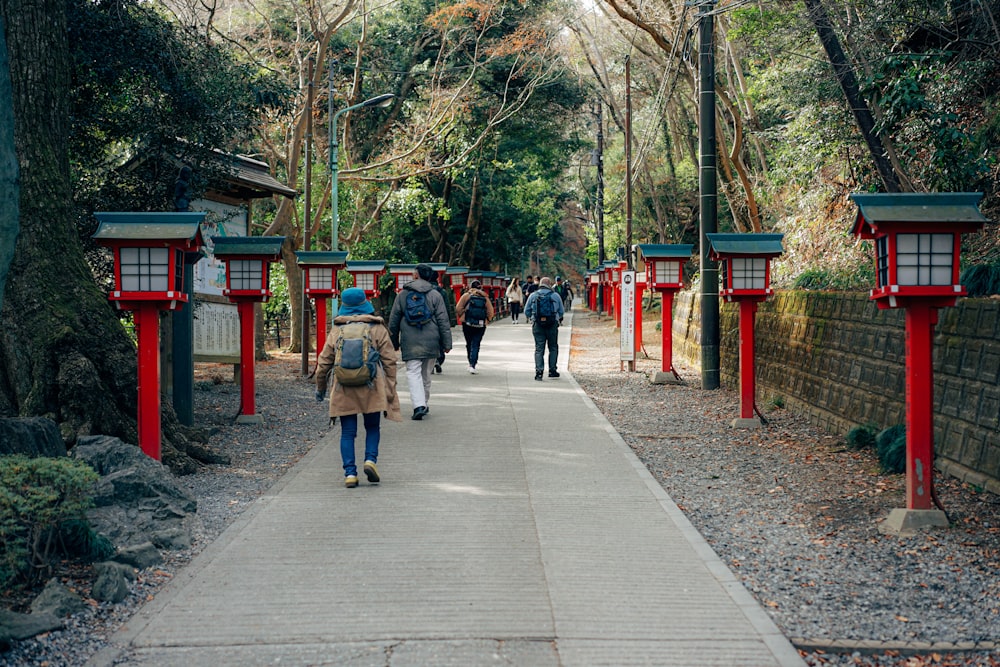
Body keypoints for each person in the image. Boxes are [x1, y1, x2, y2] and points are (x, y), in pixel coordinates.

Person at [315, 288, 401, 488]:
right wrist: (390, 386)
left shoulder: (337, 330)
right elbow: (390, 361)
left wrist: (320, 388)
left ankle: (350, 473)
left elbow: (324, 363)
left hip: (343, 386)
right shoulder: (376, 328)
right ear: (365, 304)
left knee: (347, 432)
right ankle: (370, 460)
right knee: (372, 427)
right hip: (371, 385)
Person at [388, 263, 453, 420]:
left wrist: (393, 342)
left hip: (410, 340)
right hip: (432, 339)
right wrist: (447, 343)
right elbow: (443, 320)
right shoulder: (435, 295)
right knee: (426, 374)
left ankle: (419, 405)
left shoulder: (402, 295)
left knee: (413, 372)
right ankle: (423, 403)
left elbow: (394, 320)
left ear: (416, 275)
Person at [523, 276, 564, 381]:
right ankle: (552, 370)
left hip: (537, 325)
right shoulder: (555, 295)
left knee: (539, 349)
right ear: (550, 284)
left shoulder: (533, 295)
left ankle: (539, 371)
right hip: (552, 324)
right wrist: (555, 318)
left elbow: (526, 311)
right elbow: (561, 311)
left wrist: (533, 318)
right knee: (553, 347)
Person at [456, 279, 496, 374]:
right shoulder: (485, 298)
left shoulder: (466, 296)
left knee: (469, 343)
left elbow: (458, 308)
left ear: (470, 287)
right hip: (481, 325)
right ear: (480, 288)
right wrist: (487, 320)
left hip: (467, 323)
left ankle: (470, 362)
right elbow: (491, 312)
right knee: (476, 344)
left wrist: (463, 316)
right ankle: (473, 365)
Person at [431, 273, 457, 374]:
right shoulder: (442, 292)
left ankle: (432, 360)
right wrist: (448, 322)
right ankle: (438, 359)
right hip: (440, 320)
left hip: (426, 321)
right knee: (440, 341)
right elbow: (446, 308)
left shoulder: (422, 291)